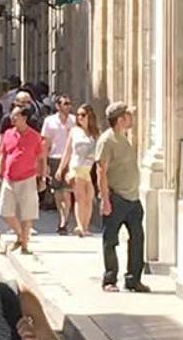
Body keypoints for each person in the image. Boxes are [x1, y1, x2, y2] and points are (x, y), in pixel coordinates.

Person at [96, 101, 150, 293]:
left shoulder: (123, 138)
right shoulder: (107, 140)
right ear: (120, 119)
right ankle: (110, 279)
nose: (131, 119)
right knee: (111, 239)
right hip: (116, 197)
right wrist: (105, 199)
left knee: (137, 238)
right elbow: (101, 171)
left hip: (133, 199)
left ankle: (133, 279)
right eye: (129, 115)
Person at [0, 105, 45, 255]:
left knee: (27, 213)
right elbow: (3, 155)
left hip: (28, 177)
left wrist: (42, 177)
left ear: (24, 118)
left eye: (15, 116)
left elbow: (42, 159)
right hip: (9, 178)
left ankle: (24, 244)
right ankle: (19, 234)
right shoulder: (8, 134)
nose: (12, 118)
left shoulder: (35, 137)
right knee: (5, 211)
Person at [58, 104, 100, 237]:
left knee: (89, 198)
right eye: (78, 115)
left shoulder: (94, 133)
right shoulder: (74, 131)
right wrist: (61, 168)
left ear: (89, 116)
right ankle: (80, 226)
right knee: (80, 197)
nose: (79, 117)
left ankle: (85, 227)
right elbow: (68, 151)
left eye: (83, 114)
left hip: (88, 169)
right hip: (76, 167)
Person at [41, 95, 77, 233]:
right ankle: (61, 215)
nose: (68, 106)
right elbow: (46, 144)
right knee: (57, 192)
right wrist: (45, 165)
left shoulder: (74, 121)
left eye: (69, 104)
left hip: (70, 159)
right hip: (54, 158)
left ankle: (64, 221)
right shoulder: (49, 121)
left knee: (67, 191)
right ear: (58, 106)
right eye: (65, 103)